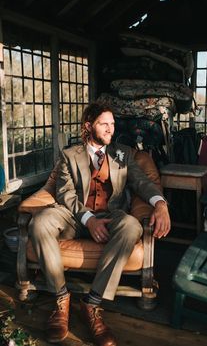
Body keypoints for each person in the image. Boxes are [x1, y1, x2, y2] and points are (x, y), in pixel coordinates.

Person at [29, 102, 171, 346]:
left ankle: (92, 303)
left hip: (111, 215)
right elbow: (65, 194)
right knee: (39, 222)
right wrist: (89, 219)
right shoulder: (69, 155)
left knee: (131, 226)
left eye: (113, 124)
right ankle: (61, 300)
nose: (110, 129)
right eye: (104, 124)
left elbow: (142, 183)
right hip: (74, 216)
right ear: (88, 126)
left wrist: (160, 204)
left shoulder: (123, 154)